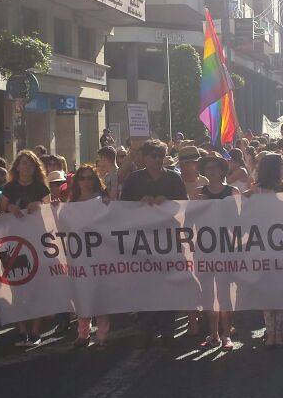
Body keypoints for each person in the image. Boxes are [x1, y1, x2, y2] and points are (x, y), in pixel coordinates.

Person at [120, 139, 188, 348]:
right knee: (144, 284)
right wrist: (139, 203)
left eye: (160, 156)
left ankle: (167, 329)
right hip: (142, 240)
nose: (157, 160)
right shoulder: (134, 179)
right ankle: (146, 328)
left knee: (167, 283)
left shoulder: (174, 179)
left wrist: (167, 202)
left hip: (167, 239)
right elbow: (122, 208)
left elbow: (184, 207)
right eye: (153, 156)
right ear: (144, 157)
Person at [0, 151, 51, 346]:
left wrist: (39, 204)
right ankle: (22, 330)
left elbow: (51, 212)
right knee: (17, 286)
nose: (26, 167)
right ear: (17, 167)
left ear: (35, 167)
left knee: (37, 286)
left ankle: (35, 330)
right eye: (23, 164)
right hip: (13, 243)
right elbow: (0, 211)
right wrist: (10, 208)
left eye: (30, 164)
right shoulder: (9, 187)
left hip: (36, 241)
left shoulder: (41, 188)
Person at [244, 153, 283, 348]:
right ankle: (271, 333)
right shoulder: (255, 192)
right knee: (267, 292)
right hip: (262, 248)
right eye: (282, 165)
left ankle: (279, 333)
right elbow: (240, 207)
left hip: (282, 247)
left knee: (280, 291)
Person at [197, 155, 239, 351]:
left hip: (226, 247)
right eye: (207, 168)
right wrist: (198, 206)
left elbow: (240, 219)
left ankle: (226, 334)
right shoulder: (198, 194)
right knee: (208, 293)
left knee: (224, 292)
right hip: (205, 248)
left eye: (214, 168)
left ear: (222, 171)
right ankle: (212, 333)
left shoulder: (232, 192)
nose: (210, 171)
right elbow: (189, 221)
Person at [68, 164, 112, 348]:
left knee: (101, 295)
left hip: (100, 253)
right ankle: (83, 334)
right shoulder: (72, 202)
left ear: (95, 180)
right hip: (80, 255)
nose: (86, 182)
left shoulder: (103, 199)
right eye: (82, 178)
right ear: (77, 181)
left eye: (90, 178)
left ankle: (102, 335)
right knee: (82, 294)